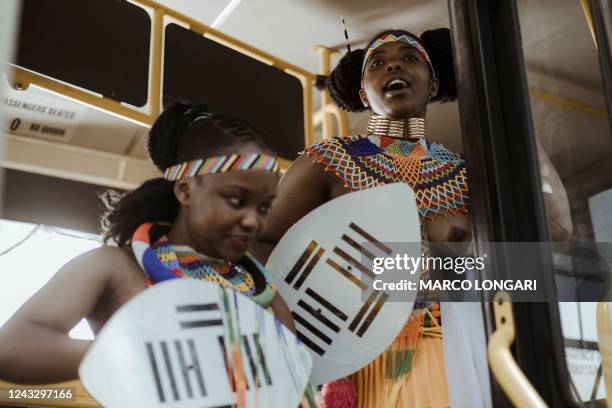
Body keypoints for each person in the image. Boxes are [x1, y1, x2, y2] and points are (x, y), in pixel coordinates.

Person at [253, 28, 572, 407]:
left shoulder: (466, 174)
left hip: (456, 352)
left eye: (409, 58)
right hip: (357, 356)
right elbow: (261, 243)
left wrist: (515, 123)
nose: (393, 67)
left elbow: (556, 230)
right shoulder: (327, 161)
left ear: (433, 86)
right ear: (361, 92)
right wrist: (300, 334)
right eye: (378, 63)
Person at [0, 102, 295, 385]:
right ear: (185, 190)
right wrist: (148, 355)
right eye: (236, 200)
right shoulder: (115, 267)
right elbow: (13, 347)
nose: (252, 221)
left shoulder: (263, 292)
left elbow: (293, 379)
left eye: (264, 208)